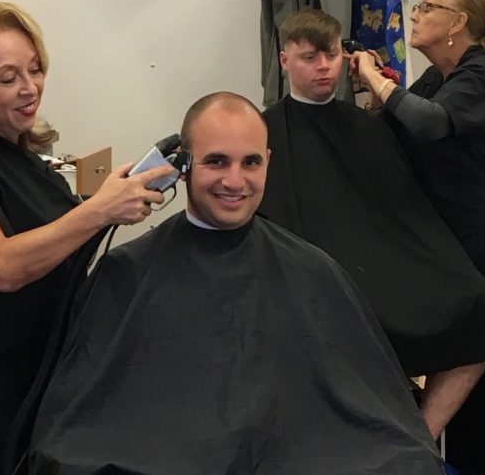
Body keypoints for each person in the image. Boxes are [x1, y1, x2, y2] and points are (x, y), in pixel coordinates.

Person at [26, 92, 444, 474]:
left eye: (250, 163)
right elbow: (75, 429)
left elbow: (375, 414)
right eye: (216, 161)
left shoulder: (314, 270)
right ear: (182, 163)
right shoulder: (126, 272)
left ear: (268, 161)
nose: (234, 181)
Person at [259, 7, 485, 475]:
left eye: (330, 55)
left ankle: (417, 441)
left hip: (391, 266)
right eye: (308, 57)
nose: (323, 66)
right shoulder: (263, 132)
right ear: (284, 61)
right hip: (319, 277)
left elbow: (399, 208)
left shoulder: (370, 125)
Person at [0, 0, 175, 474]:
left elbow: (61, 247)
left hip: (39, 385)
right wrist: (97, 211)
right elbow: (1, 267)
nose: (29, 87)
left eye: (35, 70)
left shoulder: (24, 157)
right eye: (7, 77)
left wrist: (113, 203)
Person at [350, 0, 485, 317]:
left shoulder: (483, 75)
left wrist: (376, 79)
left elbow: (430, 122)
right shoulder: (437, 77)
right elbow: (392, 131)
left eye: (427, 7)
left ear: (457, 22)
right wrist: (376, 94)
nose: (415, 15)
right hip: (449, 235)